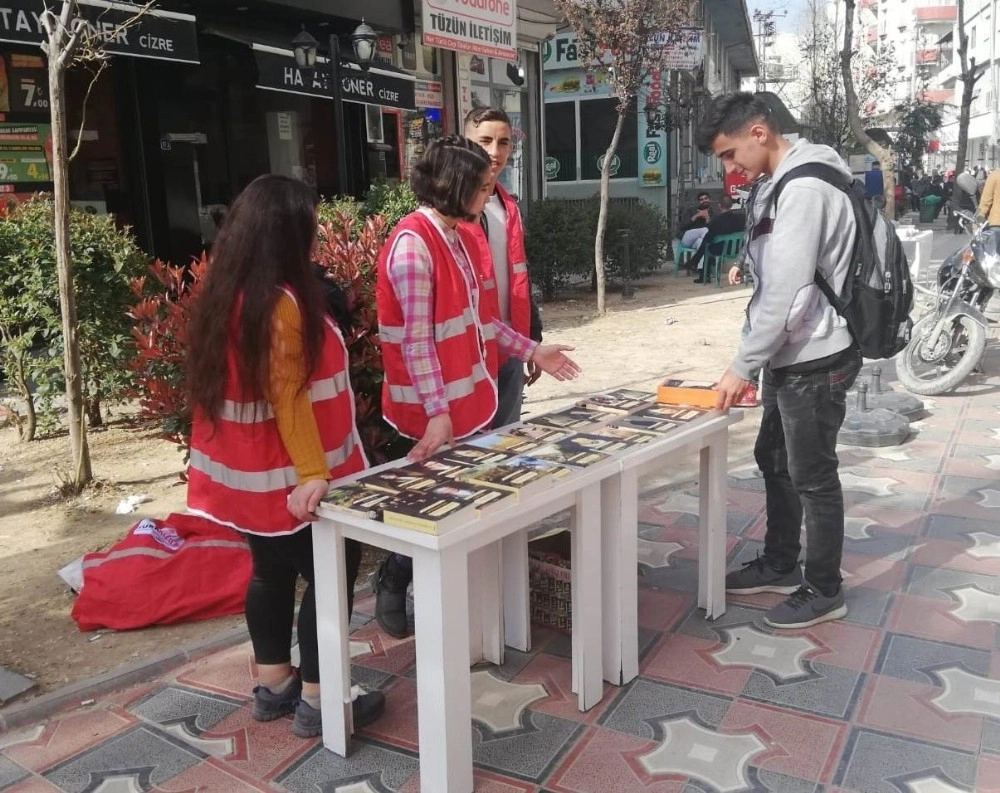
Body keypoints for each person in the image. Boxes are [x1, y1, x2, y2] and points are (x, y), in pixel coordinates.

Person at [185, 174, 385, 738]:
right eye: (310, 226)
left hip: (249, 482)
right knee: (331, 578)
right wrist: (315, 473)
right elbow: (289, 393)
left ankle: (275, 684)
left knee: (269, 574)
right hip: (295, 481)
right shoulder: (283, 305)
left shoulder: (228, 293)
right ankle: (322, 700)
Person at [371, 136, 581, 638]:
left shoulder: (463, 238)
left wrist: (533, 350)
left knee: (461, 504)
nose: (489, 197)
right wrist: (438, 413)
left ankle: (464, 609)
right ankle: (396, 574)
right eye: (483, 189)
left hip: (466, 404)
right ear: (455, 187)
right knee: (428, 505)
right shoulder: (411, 247)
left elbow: (481, 322)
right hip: (427, 411)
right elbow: (418, 344)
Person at [696, 92, 862, 629]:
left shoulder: (807, 186)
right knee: (776, 460)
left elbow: (788, 292)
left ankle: (823, 588)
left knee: (813, 476)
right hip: (790, 353)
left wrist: (742, 364)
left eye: (728, 153)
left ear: (759, 132)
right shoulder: (783, 180)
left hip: (816, 353)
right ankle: (781, 561)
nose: (729, 166)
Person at [462, 106, 544, 428]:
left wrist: (532, 339)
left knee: (508, 446)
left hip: (511, 349)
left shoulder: (509, 206)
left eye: (504, 142)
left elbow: (521, 277)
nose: (495, 152)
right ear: (465, 142)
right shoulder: (450, 211)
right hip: (470, 355)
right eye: (484, 140)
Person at [689, 194, 746, 283]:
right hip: (739, 248)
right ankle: (694, 261)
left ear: (719, 205)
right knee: (709, 243)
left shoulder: (716, 220)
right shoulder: (742, 217)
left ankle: (702, 273)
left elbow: (708, 238)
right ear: (732, 205)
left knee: (707, 245)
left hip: (721, 250)